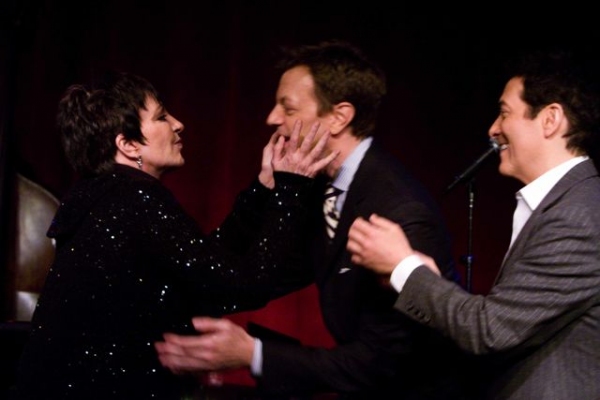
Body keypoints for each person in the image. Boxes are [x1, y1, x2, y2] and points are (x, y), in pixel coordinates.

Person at [155, 40, 470, 399]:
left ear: (339, 117)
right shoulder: (320, 186)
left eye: (287, 108)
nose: (272, 119)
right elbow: (258, 276)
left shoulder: (400, 211)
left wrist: (252, 353)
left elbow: (384, 363)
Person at [10, 71, 336, 400]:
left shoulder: (106, 194)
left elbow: (201, 270)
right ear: (127, 144)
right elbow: (246, 284)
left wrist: (264, 189)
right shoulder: (135, 199)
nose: (178, 124)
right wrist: (291, 188)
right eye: (162, 117)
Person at [346, 49, 600, 399]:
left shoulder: (579, 215)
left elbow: (490, 330)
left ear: (550, 120)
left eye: (504, 113)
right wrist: (424, 278)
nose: (493, 129)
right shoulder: (565, 204)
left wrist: (402, 266)